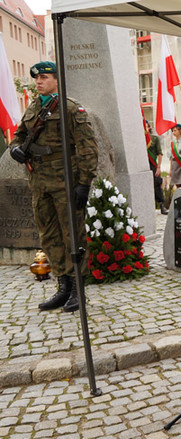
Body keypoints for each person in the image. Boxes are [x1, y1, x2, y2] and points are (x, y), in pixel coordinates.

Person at [9, 61, 98, 312]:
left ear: (57, 80)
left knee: (73, 235)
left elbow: (88, 148)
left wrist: (84, 183)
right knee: (49, 236)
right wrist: (16, 148)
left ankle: (78, 290)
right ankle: (63, 287)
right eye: (37, 79)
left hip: (65, 183)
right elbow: (19, 135)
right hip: (40, 183)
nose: (39, 82)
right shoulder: (34, 107)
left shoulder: (71, 109)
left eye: (44, 78)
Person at [145, 120, 168, 214]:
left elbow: (159, 153)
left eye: (146, 126)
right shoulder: (140, 139)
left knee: (157, 184)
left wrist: (158, 167)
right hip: (144, 165)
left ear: (149, 127)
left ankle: (162, 205)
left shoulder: (154, 139)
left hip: (153, 165)